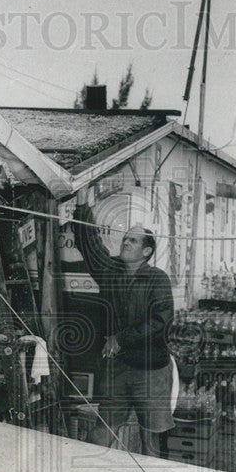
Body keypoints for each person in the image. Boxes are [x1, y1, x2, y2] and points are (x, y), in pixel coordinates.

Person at [72, 192, 174, 457]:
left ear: (147, 251)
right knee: (104, 427)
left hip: (151, 370)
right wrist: (82, 206)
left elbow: (160, 321)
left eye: (133, 240)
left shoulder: (157, 279)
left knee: (150, 438)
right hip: (118, 367)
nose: (125, 243)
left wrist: (120, 338)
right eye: (125, 238)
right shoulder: (111, 270)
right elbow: (90, 245)